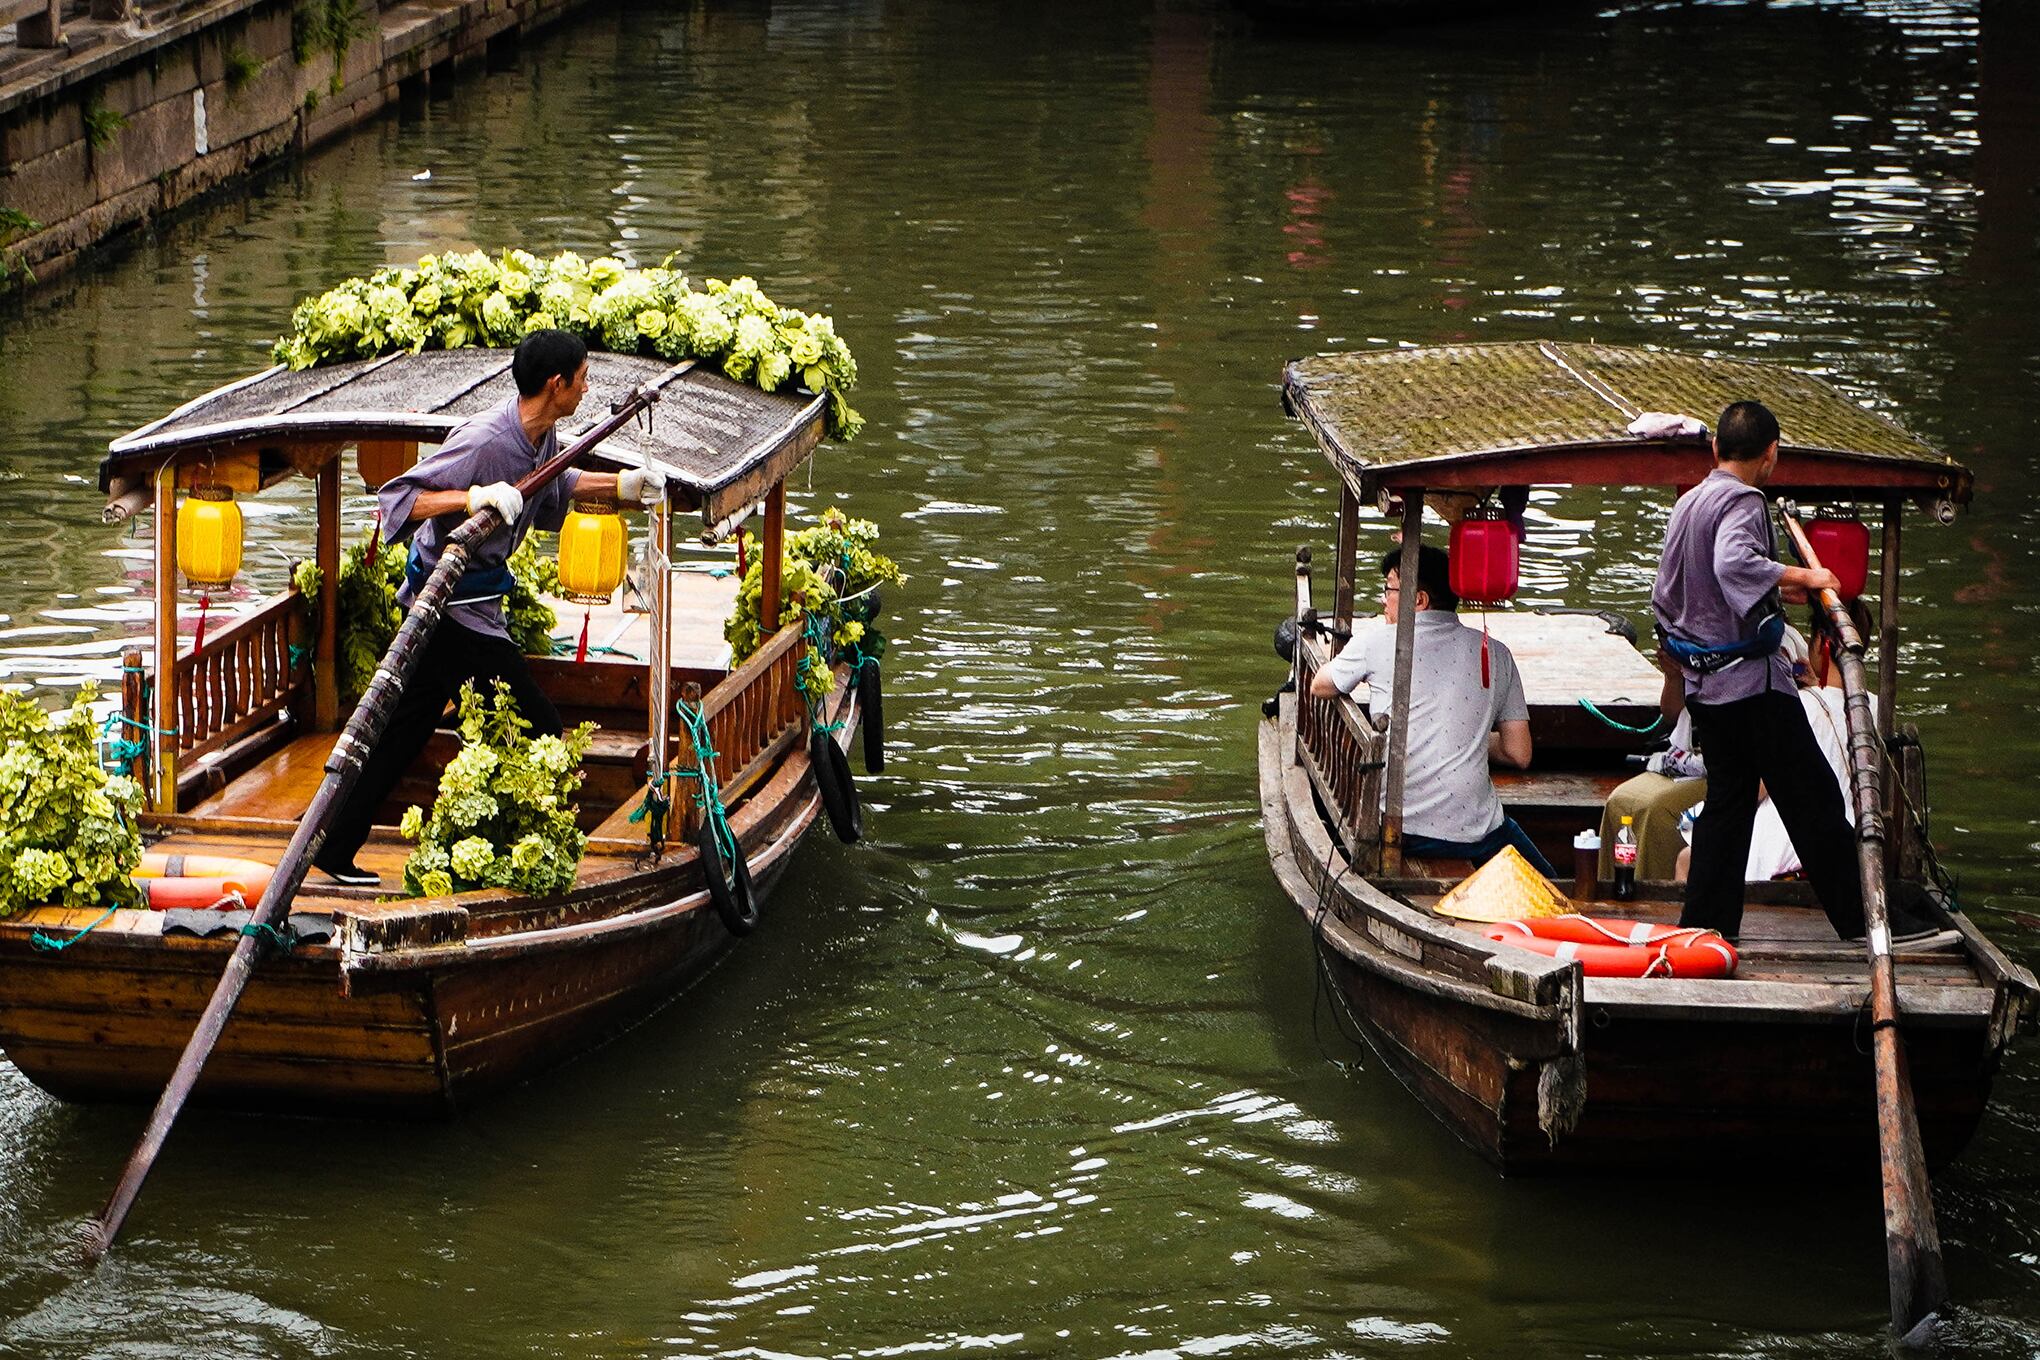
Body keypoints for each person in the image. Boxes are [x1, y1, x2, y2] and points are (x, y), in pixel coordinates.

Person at [313, 330, 656, 887]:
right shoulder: (484, 441)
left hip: (475, 607)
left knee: (405, 728)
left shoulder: (542, 433)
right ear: (556, 383)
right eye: (584, 378)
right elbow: (398, 498)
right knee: (539, 723)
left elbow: (556, 482)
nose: (587, 388)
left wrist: (623, 486)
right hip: (449, 608)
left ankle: (335, 843)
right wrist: (471, 497)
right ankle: (532, 838)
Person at [1650, 400, 1864, 942]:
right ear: (1772, 454)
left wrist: (1775, 588)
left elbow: (1670, 594)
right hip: (1751, 686)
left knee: (1729, 803)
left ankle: (1707, 925)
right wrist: (1808, 577)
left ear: (1717, 448)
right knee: (1812, 796)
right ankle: (1868, 921)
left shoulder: (1689, 503)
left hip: (1707, 686)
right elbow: (1734, 565)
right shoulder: (1744, 500)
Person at [1309, 543, 1556, 878]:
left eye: (1389, 589)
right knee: (1554, 888)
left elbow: (1320, 685)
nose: (1383, 600)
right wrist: (1465, 736)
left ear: (1419, 600)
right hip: (1479, 831)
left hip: (1402, 829)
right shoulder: (1497, 653)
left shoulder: (1378, 641)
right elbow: (1518, 753)